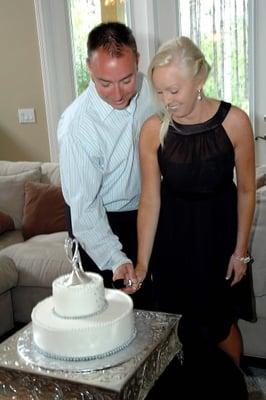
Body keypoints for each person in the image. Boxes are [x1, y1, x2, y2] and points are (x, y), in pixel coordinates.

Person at [135, 36, 256, 398]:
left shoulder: (234, 122)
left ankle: (234, 389)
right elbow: (150, 201)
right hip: (174, 243)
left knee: (221, 325)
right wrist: (142, 265)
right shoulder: (152, 130)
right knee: (180, 328)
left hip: (219, 240)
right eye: (159, 92)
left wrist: (240, 252)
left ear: (198, 79)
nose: (167, 100)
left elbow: (247, 190)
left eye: (173, 90)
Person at [57, 22, 155, 309]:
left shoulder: (148, 87)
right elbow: (84, 209)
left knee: (157, 312)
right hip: (99, 222)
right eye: (105, 83)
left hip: (145, 213)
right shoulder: (78, 127)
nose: (117, 94)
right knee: (113, 320)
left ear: (137, 60)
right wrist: (116, 259)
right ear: (89, 68)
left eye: (126, 80)